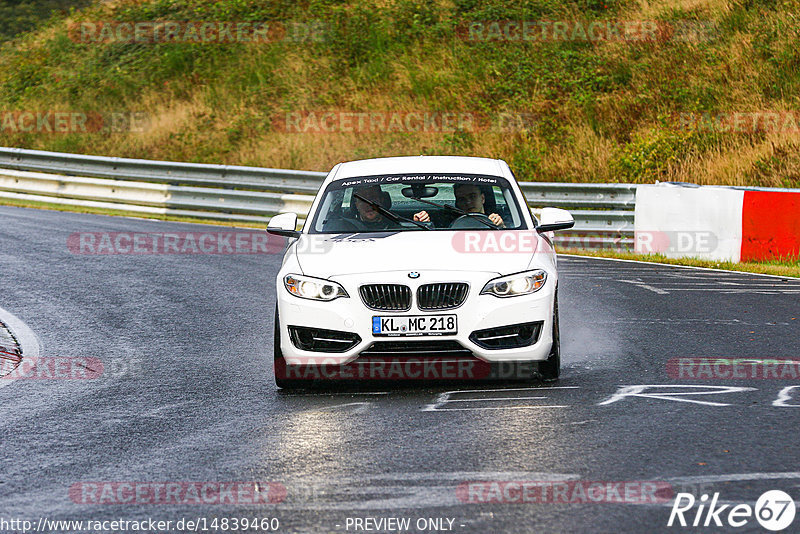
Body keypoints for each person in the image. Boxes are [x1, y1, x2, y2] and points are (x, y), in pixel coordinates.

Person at [413, 183, 505, 227]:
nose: (468, 202)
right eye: (462, 199)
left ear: (482, 198)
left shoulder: (505, 217)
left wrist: (502, 226)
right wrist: (422, 223)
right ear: (457, 203)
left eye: (472, 196)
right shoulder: (446, 223)